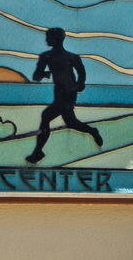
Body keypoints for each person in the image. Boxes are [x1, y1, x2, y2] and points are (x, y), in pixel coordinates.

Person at [26, 27, 105, 164]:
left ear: (56, 39)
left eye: (48, 37)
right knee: (71, 122)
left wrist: (79, 84)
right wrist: (44, 74)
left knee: (46, 116)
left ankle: (37, 152)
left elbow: (81, 73)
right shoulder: (46, 56)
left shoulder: (72, 57)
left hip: (69, 93)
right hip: (59, 92)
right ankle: (92, 131)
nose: (46, 40)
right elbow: (36, 76)